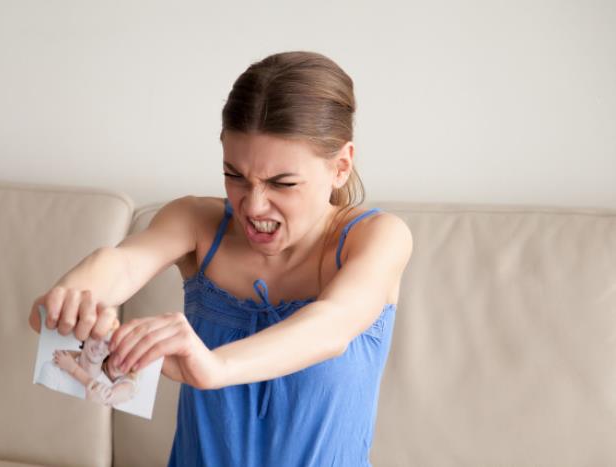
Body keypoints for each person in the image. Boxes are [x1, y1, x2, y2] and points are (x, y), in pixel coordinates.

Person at [28, 50, 413, 466]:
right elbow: (120, 264)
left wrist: (213, 367)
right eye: (235, 176)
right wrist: (69, 300)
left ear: (340, 166)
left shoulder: (377, 237)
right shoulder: (195, 222)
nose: (254, 206)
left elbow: (333, 325)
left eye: (282, 183)